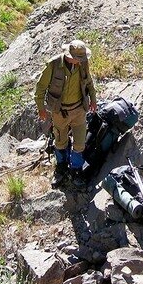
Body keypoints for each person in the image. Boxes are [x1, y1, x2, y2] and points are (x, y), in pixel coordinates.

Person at [35, 39, 98, 181]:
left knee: (80, 143)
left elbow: (89, 82)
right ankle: (61, 166)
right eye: (78, 58)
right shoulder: (54, 64)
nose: (80, 61)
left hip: (79, 110)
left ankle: (76, 169)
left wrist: (93, 100)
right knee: (60, 140)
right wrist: (41, 108)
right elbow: (40, 88)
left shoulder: (83, 64)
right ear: (69, 56)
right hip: (59, 111)